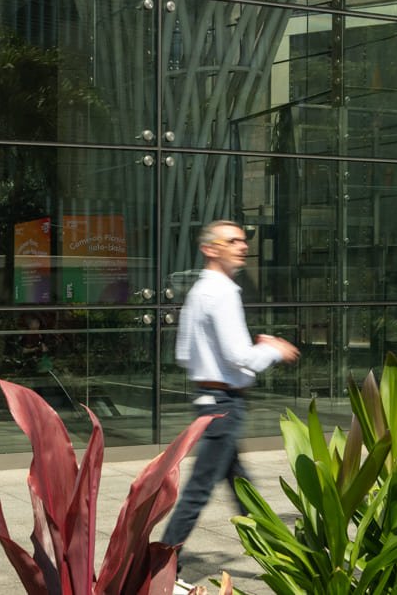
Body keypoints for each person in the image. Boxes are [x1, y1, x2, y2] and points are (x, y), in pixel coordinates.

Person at [161, 221, 299, 562]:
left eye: (242, 240)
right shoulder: (221, 292)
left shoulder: (199, 291)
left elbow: (183, 353)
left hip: (211, 401)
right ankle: (158, 566)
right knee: (198, 492)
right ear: (210, 249)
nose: (242, 246)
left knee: (241, 487)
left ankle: (276, 556)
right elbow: (241, 357)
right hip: (223, 405)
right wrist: (273, 349)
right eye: (232, 241)